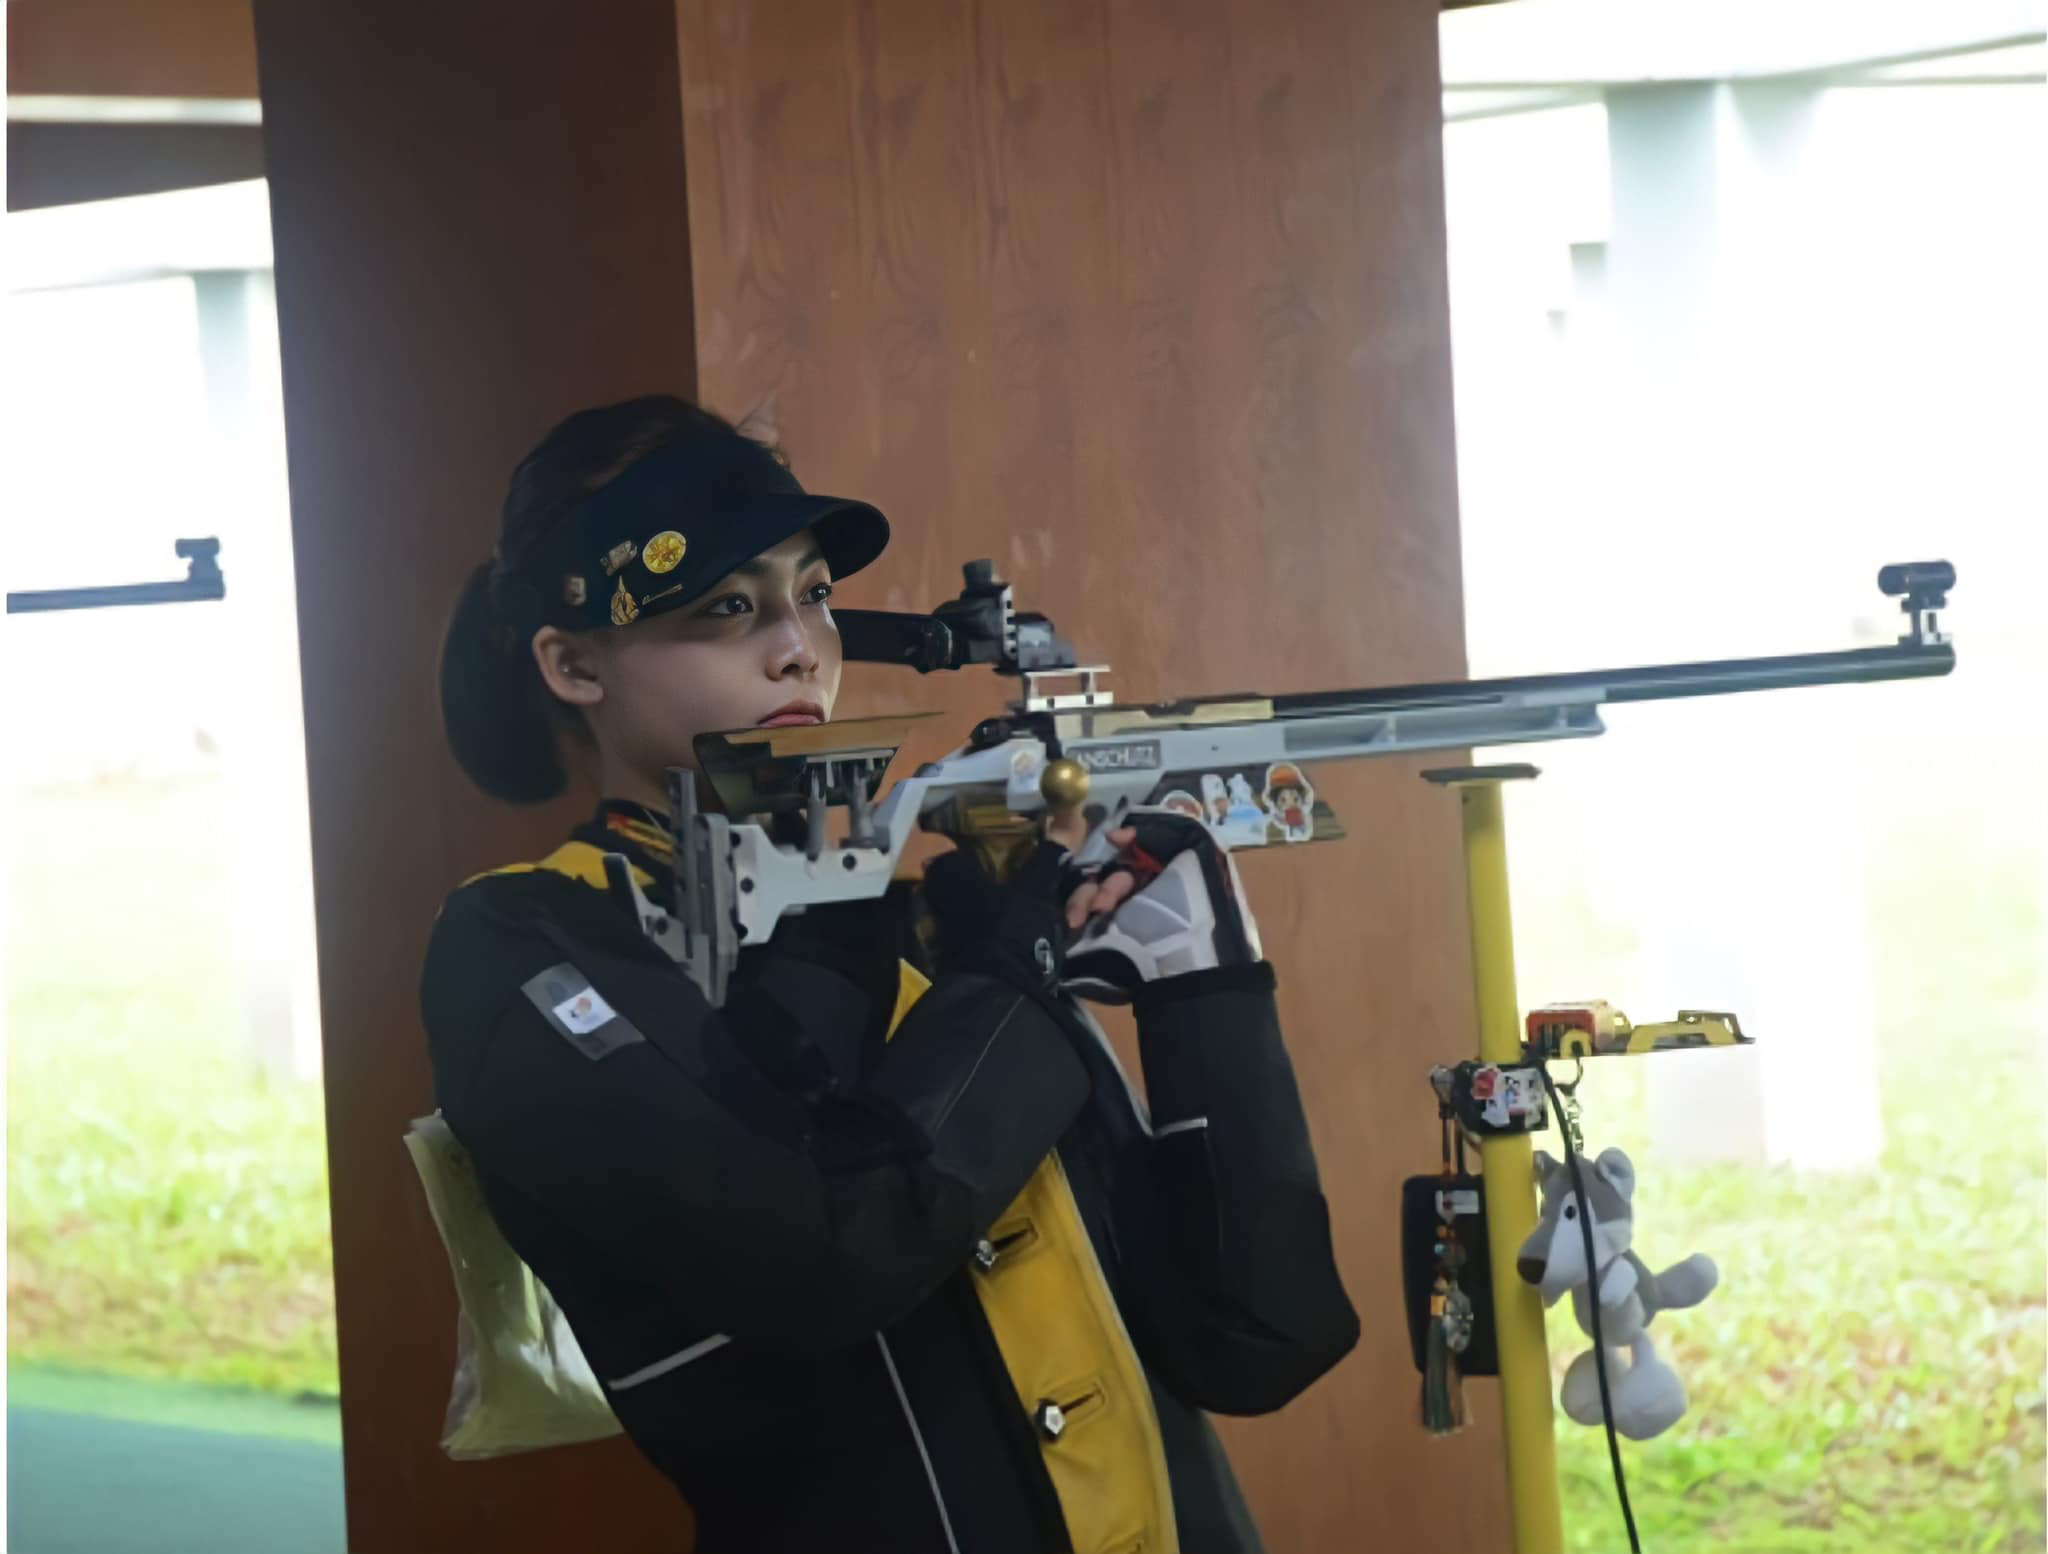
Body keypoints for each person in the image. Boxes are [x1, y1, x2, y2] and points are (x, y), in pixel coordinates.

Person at [420, 395, 1358, 1554]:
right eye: (728, 606)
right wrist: (1013, 965)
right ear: (572, 664)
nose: (798, 648)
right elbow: (825, 1254)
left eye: (813, 594)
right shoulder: (523, 946)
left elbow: (1259, 1342)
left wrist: (1203, 984)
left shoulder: (939, 934)